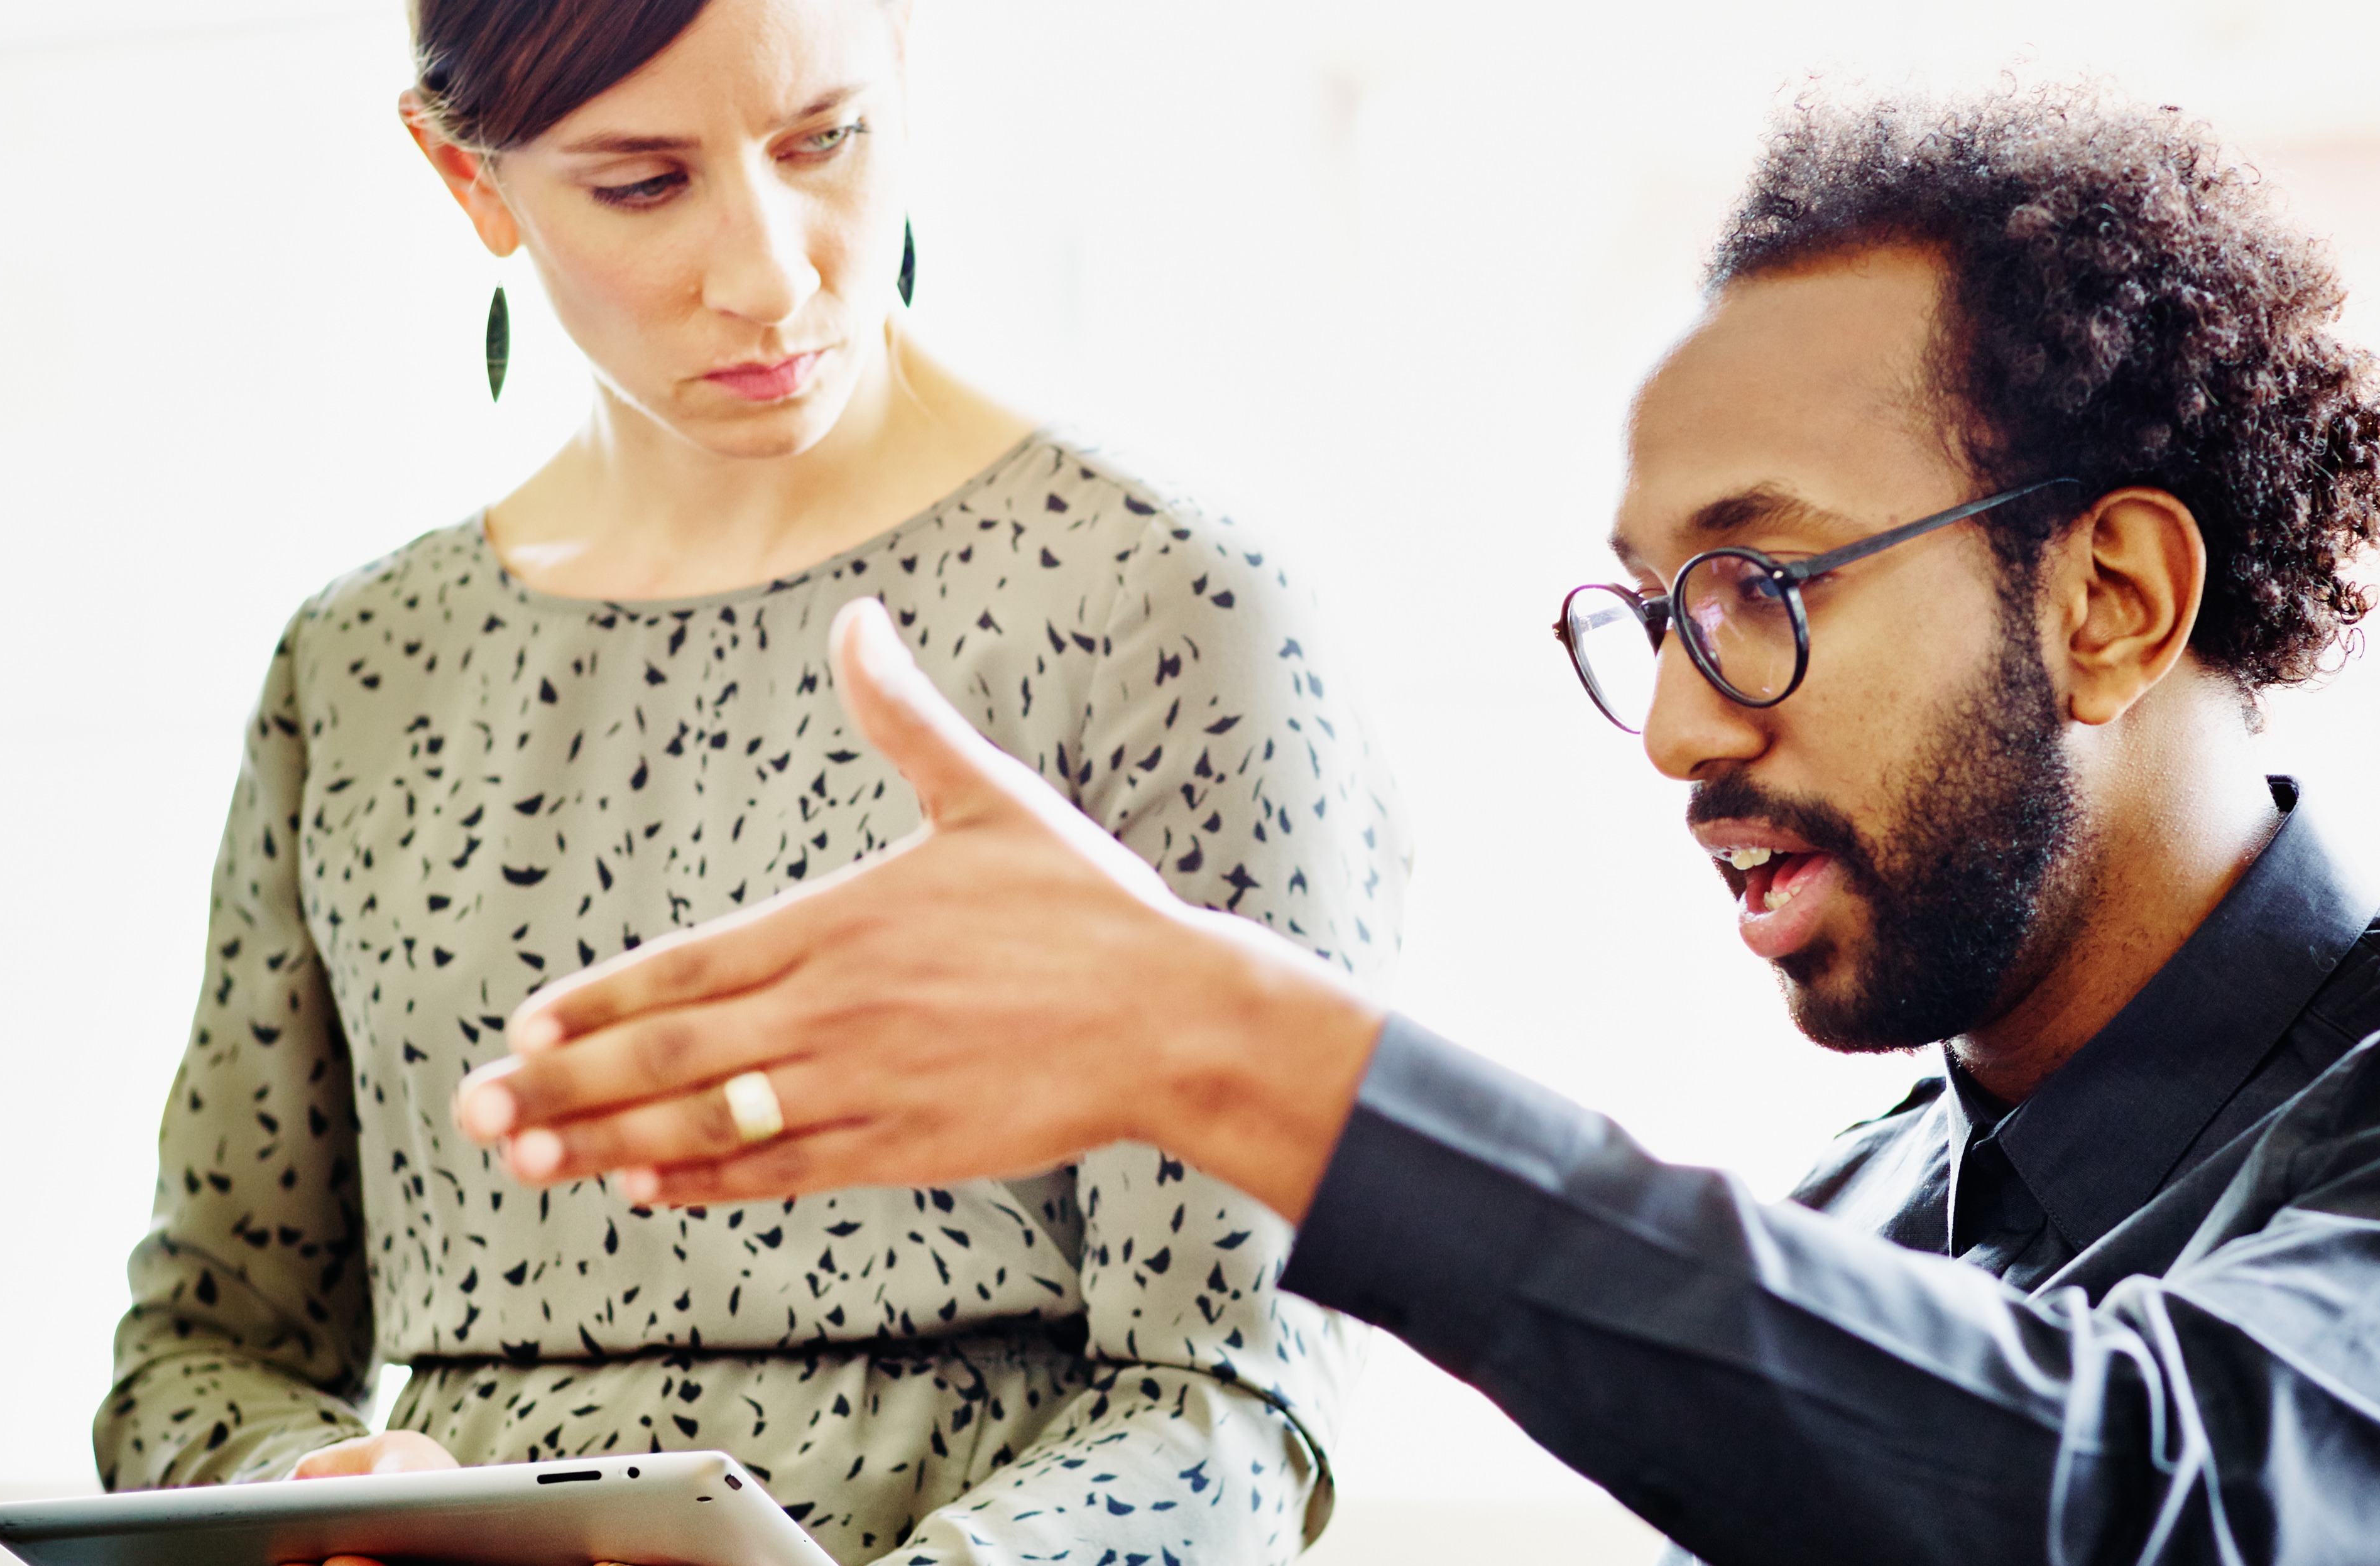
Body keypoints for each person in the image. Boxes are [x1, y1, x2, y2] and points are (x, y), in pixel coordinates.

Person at [452, 89, 2380, 1563]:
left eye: (1756, 591)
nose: (1673, 732)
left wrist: (1253, 1057)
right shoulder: (1876, 1230)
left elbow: (2143, 1511)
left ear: (2113, 592)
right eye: (1643, 620)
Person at [92, 1, 1406, 1562]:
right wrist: (313, 1496)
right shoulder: (360, 664)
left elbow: (1236, 1398)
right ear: (469, 178)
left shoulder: (1161, 608)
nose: (774, 273)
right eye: (644, 183)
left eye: (824, 139)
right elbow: (196, 1352)